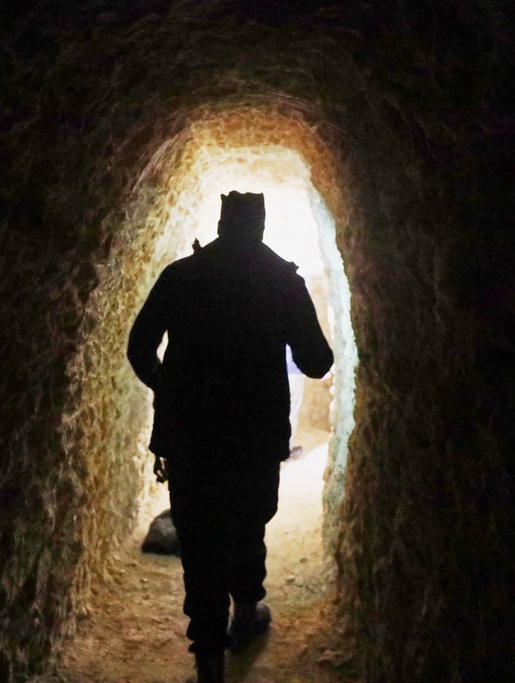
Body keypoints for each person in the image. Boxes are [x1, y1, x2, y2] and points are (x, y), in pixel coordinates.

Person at [127, 191, 333, 683]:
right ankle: (245, 612)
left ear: (221, 224)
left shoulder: (181, 276)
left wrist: (168, 386)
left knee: (198, 534)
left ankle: (208, 654)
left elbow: (139, 348)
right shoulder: (281, 280)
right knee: (246, 523)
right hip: (254, 434)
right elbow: (318, 361)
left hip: (189, 432)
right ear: (260, 227)